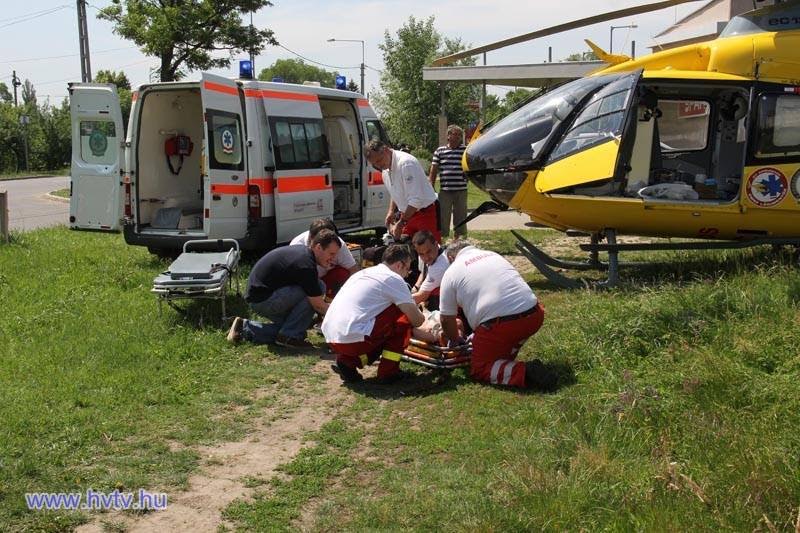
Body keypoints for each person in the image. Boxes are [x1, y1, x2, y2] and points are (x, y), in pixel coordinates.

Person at [438, 240, 553, 390]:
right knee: (498, 344)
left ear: (451, 258)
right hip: (534, 315)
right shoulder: (493, 255)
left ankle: (525, 371)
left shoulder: (451, 272)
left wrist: (455, 340)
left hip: (502, 325)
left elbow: (446, 319)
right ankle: (505, 354)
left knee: (480, 368)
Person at [322, 244, 425, 384]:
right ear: (400, 265)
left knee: (385, 331)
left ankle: (349, 362)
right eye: (407, 269)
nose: (407, 275)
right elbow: (417, 320)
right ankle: (388, 372)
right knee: (402, 320)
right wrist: (422, 314)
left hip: (332, 336)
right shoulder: (393, 279)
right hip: (353, 338)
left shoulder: (364, 273)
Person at [227, 229, 341, 348]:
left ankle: (244, 328)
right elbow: (318, 305)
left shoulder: (304, 254)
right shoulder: (306, 265)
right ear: (318, 247)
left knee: (296, 328)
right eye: (331, 254)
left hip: (259, 296)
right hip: (263, 300)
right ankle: (289, 336)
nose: (333, 259)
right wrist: (339, 317)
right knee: (318, 289)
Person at [365, 139, 440, 243]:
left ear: (385, 149)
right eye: (374, 164)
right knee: (404, 250)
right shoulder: (385, 170)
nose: (378, 166)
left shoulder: (406, 164)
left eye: (379, 160)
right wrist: (391, 211)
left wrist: (401, 223)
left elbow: (416, 200)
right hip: (407, 215)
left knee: (430, 249)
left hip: (425, 213)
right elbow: (395, 192)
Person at [290, 218, 359, 297]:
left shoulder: (336, 244)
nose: (333, 257)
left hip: (323, 279)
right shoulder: (297, 246)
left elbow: (353, 270)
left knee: (342, 273)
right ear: (313, 240)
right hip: (303, 284)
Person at [429, 125, 468, 238]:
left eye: (459, 135)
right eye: (455, 134)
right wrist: (431, 186)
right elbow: (433, 170)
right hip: (445, 191)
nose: (457, 137)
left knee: (460, 216)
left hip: (461, 190)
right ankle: (442, 239)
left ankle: (458, 240)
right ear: (448, 136)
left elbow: (470, 166)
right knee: (443, 216)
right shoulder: (440, 151)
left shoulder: (465, 150)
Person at [410, 230, 449, 311]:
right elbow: (423, 272)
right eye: (421, 254)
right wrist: (416, 287)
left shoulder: (440, 266)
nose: (426, 257)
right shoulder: (426, 252)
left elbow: (421, 296)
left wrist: (398, 302)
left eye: (428, 252)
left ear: (436, 244)